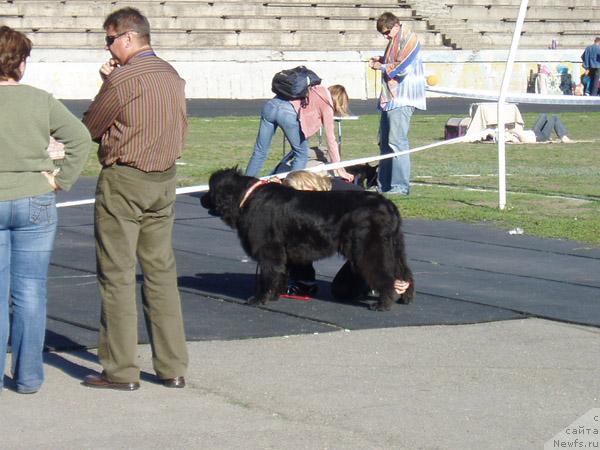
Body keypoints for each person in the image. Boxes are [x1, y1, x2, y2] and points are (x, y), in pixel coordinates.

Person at [81, 7, 188, 391]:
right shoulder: (172, 75)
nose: (108, 47)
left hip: (125, 179)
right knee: (160, 273)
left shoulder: (125, 78)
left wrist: (106, 84)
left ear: (127, 37)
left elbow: (92, 126)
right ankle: (172, 366)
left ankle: (120, 370)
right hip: (164, 179)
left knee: (117, 274)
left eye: (109, 40)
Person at [0, 26, 91, 394]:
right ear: (20, 64)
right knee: (30, 292)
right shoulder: (39, 98)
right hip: (35, 198)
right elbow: (80, 138)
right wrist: (61, 179)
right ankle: (29, 376)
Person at [282, 171, 410, 299]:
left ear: (309, 187)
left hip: (368, 245)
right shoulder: (309, 204)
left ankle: (388, 285)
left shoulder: (353, 197)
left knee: (345, 289)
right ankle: (302, 280)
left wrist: (390, 273)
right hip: (352, 245)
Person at [245, 83, 354, 181]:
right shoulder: (327, 104)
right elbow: (331, 140)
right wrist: (339, 169)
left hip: (270, 105)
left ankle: (245, 187)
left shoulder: (315, 89)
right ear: (338, 101)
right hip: (287, 112)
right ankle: (289, 191)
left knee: (260, 151)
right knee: (301, 155)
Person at [369, 12, 426, 195]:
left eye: (386, 33)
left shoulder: (410, 39)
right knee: (385, 143)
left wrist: (382, 66)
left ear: (396, 26)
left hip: (403, 98)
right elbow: (393, 62)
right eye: (383, 34)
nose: (385, 37)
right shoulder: (394, 41)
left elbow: (402, 68)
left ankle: (400, 187)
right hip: (391, 99)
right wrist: (382, 60)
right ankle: (383, 184)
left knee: (397, 142)